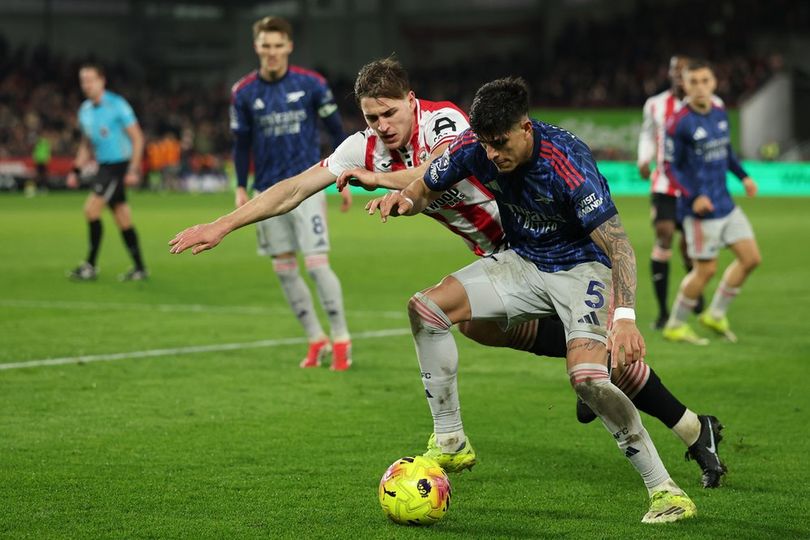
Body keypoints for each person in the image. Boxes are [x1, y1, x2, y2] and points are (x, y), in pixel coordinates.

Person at [171, 58, 725, 489]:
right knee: (478, 326)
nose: (382, 126)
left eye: (390, 112)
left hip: (555, 247)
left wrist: (379, 180)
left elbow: (440, 166)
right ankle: (684, 421)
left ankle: (690, 434)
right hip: (505, 259)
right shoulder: (363, 148)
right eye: (371, 117)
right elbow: (293, 188)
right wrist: (223, 224)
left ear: (411, 103)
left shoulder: (446, 120)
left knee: (602, 366)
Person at [370, 77, 696, 523]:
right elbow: (426, 183)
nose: (492, 154)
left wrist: (624, 317)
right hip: (522, 262)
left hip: (582, 270)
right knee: (426, 308)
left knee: (588, 380)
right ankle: (450, 439)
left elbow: (618, 245)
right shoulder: (474, 145)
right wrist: (406, 200)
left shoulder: (566, 162)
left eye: (501, 143)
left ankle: (665, 491)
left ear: (525, 127)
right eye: (485, 144)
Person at [230, 16, 353, 370]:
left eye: (277, 45)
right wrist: (240, 186)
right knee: (284, 269)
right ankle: (316, 339)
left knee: (316, 264)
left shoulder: (312, 85)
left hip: (307, 185)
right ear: (257, 47)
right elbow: (240, 145)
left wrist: (342, 175)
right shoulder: (243, 92)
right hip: (266, 192)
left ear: (288, 46)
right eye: (265, 45)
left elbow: (335, 131)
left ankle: (342, 338)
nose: (271, 52)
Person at [662, 60, 760, 344]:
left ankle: (715, 315)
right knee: (706, 270)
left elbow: (727, 152)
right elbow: (670, 167)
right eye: (693, 82)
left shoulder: (719, 113)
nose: (700, 87)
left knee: (751, 258)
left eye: (705, 81)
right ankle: (676, 325)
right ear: (685, 85)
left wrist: (744, 177)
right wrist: (695, 196)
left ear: (714, 83)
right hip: (700, 212)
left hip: (726, 204)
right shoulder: (679, 123)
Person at [66, 63, 148, 281]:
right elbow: (86, 144)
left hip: (118, 166)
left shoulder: (117, 105)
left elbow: (137, 137)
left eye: (91, 80)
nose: (87, 85)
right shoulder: (84, 111)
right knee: (122, 218)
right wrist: (76, 169)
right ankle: (140, 268)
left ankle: (90, 266)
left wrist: (133, 168)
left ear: (102, 80)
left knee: (91, 210)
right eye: (83, 80)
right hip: (104, 166)